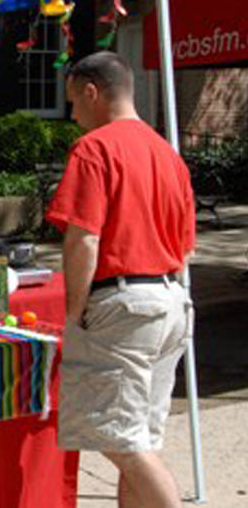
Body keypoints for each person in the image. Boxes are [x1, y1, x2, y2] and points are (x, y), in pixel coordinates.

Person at [46, 52, 195, 508]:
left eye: (73, 102)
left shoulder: (95, 148)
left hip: (124, 307)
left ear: (92, 92)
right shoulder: (168, 154)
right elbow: (187, 246)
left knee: (121, 442)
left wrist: (74, 312)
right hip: (171, 302)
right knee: (139, 440)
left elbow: (83, 239)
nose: (72, 115)